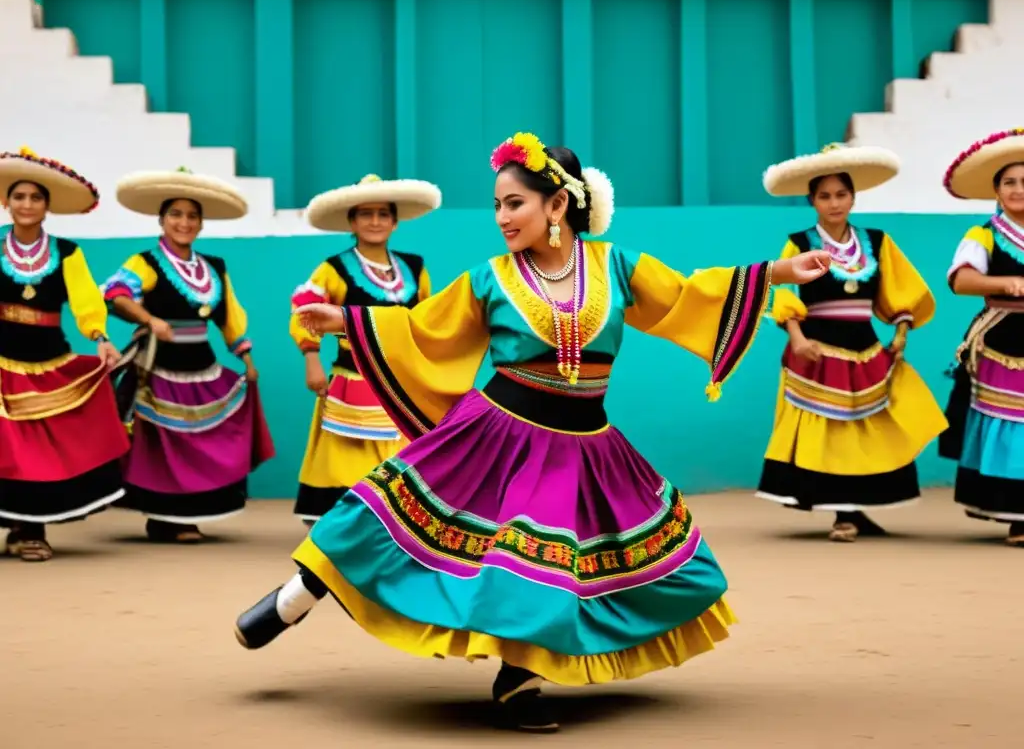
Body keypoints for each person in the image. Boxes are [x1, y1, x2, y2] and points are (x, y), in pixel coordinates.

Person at [233, 132, 830, 733]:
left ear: (557, 205)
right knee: (376, 516)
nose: (501, 217)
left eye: (513, 203)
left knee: (627, 568)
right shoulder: (490, 279)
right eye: (497, 205)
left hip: (586, 446)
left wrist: (780, 271)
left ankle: (519, 677)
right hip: (496, 437)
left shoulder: (615, 266)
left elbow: (687, 294)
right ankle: (296, 597)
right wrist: (345, 319)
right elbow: (423, 330)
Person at [755, 143, 948, 542]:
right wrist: (798, 337)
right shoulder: (799, 243)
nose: (834, 203)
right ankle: (842, 513)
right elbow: (784, 297)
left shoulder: (877, 242)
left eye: (841, 194)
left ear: (853, 197)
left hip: (864, 345)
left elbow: (899, 292)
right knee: (828, 430)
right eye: (824, 196)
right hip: (817, 347)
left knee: (867, 427)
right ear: (811, 201)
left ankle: (858, 509)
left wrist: (900, 331)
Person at [102, 167, 275, 543]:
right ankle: (168, 518)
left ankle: (189, 513)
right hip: (158, 366)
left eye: (192, 215)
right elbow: (115, 294)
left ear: (201, 223)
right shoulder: (144, 262)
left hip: (201, 363)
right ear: (161, 220)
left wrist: (246, 359)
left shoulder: (214, 267)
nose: (184, 222)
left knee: (201, 440)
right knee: (164, 444)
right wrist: (150, 319)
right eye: (175, 214)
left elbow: (229, 315)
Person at [0, 146, 127, 561]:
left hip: (49, 363)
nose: (27, 204)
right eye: (19, 196)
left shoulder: (68, 253)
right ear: (6, 202)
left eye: (36, 198)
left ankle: (30, 530)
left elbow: (87, 302)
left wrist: (101, 337)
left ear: (47, 206)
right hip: (1, 362)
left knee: (36, 453)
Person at [290, 173, 439, 525]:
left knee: (399, 456)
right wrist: (311, 355)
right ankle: (334, 524)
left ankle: (388, 524)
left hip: (399, 381)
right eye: (366, 214)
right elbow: (304, 309)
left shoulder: (415, 268)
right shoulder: (335, 269)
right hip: (351, 380)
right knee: (342, 455)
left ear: (395, 221)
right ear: (352, 221)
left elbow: (427, 320)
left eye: (383, 214)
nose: (375, 221)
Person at [940, 128, 1024, 547]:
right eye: (1009, 181)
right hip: (1002, 337)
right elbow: (962, 280)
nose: (1018, 189)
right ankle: (1017, 513)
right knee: (1009, 421)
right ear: (996, 189)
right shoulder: (984, 234)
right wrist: (1006, 282)